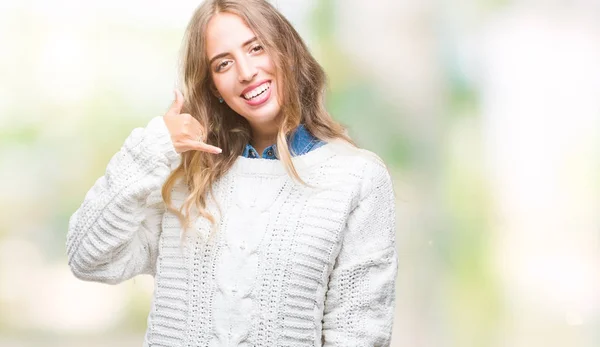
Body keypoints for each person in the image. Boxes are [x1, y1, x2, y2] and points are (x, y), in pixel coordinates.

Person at [65, 0, 398, 346]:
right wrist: (153, 146)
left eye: (256, 48)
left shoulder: (356, 178)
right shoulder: (187, 176)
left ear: (288, 51)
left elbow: (359, 333)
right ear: (213, 88)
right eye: (223, 64)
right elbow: (87, 258)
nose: (246, 71)